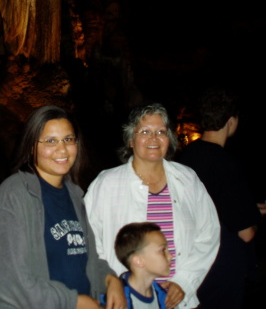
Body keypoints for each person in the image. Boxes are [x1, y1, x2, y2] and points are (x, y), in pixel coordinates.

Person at [0, 105, 126, 309]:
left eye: (68, 139)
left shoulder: (75, 197)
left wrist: (110, 280)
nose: (62, 149)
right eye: (50, 141)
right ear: (31, 146)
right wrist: (74, 302)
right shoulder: (14, 195)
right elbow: (6, 282)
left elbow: (85, 260)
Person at [84, 102, 220, 309]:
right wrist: (111, 281)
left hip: (177, 299)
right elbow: (89, 238)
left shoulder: (187, 179)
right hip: (125, 299)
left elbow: (208, 233)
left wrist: (184, 281)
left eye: (161, 132)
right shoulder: (107, 183)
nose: (154, 138)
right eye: (145, 131)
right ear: (131, 139)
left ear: (169, 139)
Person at [178, 86, 263, 309]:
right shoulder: (226, 164)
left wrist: (250, 207)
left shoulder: (186, 156)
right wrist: (253, 218)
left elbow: (215, 202)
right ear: (231, 121)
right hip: (221, 266)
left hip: (193, 261)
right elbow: (246, 233)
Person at [115, 222, 171, 309]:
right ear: (138, 261)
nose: (170, 256)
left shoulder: (164, 299)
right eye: (162, 250)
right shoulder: (117, 303)